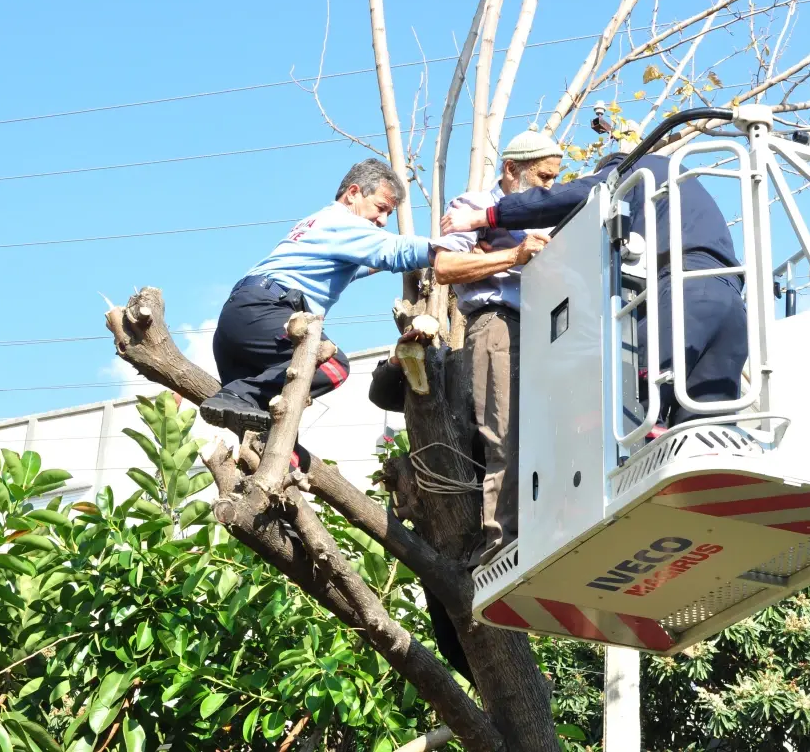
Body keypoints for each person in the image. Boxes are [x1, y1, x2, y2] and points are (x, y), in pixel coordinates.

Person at [442, 148, 747, 431]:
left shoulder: (633, 170)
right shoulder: (678, 190)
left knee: (626, 400)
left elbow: (574, 196)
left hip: (685, 294)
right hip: (733, 302)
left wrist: (488, 217)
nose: (551, 184)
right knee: (703, 430)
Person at [201, 159, 446, 459]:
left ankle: (253, 424)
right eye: (381, 208)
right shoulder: (343, 221)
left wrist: (397, 266)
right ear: (353, 193)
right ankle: (240, 393)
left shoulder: (318, 224)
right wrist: (448, 248)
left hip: (240, 319)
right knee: (332, 364)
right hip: (267, 311)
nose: (383, 220)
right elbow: (395, 251)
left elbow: (360, 266)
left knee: (276, 446)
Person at [430, 127, 562, 566]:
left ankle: (545, 531)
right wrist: (513, 256)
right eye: (543, 177)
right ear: (511, 170)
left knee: (551, 431)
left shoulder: (552, 210)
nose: (550, 186)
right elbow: (445, 267)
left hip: (553, 325)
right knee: (505, 433)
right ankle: (503, 546)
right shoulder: (471, 206)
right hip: (499, 322)